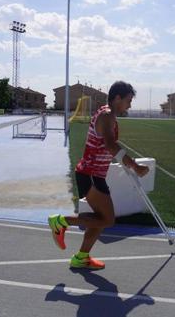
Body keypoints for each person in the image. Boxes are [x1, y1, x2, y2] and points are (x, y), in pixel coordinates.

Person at [48, 81, 149, 270]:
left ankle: (81, 257)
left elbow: (107, 147)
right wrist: (135, 166)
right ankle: (61, 221)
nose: (130, 105)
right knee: (107, 219)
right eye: (128, 100)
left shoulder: (107, 113)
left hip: (94, 174)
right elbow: (111, 146)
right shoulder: (107, 116)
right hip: (91, 174)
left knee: (100, 219)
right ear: (117, 98)